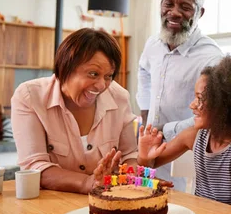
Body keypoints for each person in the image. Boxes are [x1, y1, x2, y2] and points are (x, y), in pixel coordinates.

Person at [12, 28, 157, 194]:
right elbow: (34, 167)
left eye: (108, 76)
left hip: (108, 202)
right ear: (66, 67)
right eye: (93, 74)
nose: (102, 85)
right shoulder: (30, 96)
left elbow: (129, 155)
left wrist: (134, 177)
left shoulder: (119, 97)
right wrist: (87, 183)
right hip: (51, 204)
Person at [138, 56, 231, 212]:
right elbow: (144, 172)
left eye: (200, 98)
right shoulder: (193, 137)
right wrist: (145, 157)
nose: (192, 105)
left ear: (224, 106)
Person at [137, 0, 223, 189]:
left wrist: (166, 129)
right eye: (169, 4)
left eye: (185, 7)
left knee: (178, 209)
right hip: (149, 148)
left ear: (199, 13)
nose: (174, 12)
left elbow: (212, 112)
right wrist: (145, 112)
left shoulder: (211, 57)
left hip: (186, 154)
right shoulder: (152, 43)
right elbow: (143, 71)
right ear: (161, 6)